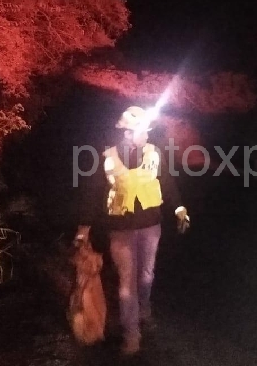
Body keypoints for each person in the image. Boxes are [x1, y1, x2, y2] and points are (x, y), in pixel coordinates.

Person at [76, 105, 190, 355]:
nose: (147, 135)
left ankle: (144, 308)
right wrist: (84, 227)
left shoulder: (154, 153)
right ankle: (132, 333)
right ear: (127, 133)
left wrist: (179, 208)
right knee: (127, 281)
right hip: (121, 228)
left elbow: (166, 180)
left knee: (146, 275)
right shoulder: (107, 158)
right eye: (142, 131)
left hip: (151, 225)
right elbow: (92, 192)